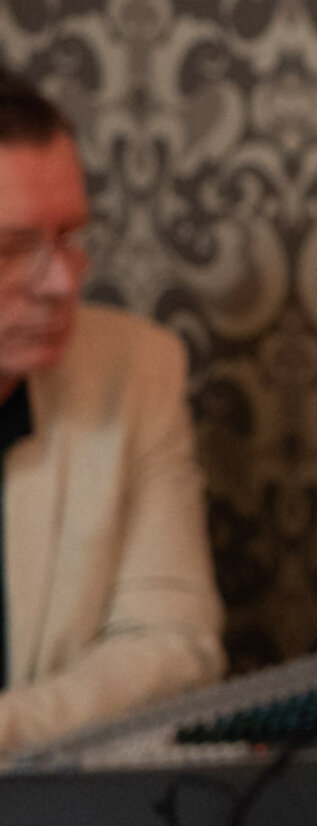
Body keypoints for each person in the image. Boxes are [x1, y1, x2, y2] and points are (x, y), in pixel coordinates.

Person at [0, 70, 225, 753]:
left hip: (55, 809)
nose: (61, 281)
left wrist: (12, 727)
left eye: (70, 236)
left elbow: (175, 645)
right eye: (12, 250)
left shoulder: (135, 369)